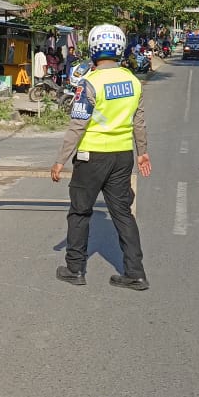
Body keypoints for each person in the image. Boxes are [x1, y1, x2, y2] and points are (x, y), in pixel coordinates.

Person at [51, 24, 151, 290]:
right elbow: (138, 122)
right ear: (120, 48)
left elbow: (78, 124)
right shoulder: (133, 81)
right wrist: (143, 153)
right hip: (122, 156)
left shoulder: (90, 83)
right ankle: (135, 273)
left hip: (91, 157)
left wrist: (61, 159)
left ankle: (75, 268)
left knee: (80, 211)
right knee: (122, 214)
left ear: (94, 48)